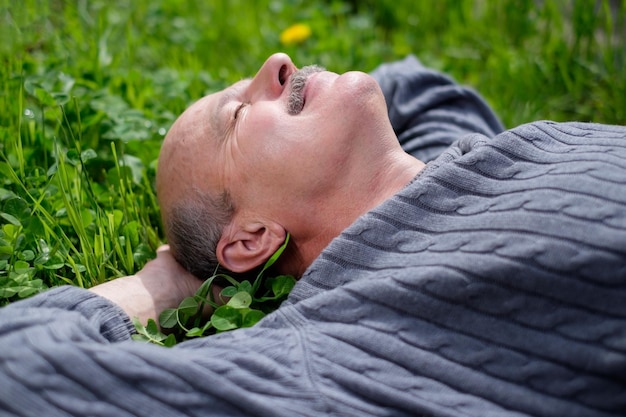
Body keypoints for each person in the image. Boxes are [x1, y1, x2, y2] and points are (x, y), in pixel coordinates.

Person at [0, 53, 625, 417]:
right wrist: (161, 283)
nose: (278, 63)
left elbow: (415, 82)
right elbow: (18, 366)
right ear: (249, 241)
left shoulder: (460, 158)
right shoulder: (351, 339)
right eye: (241, 114)